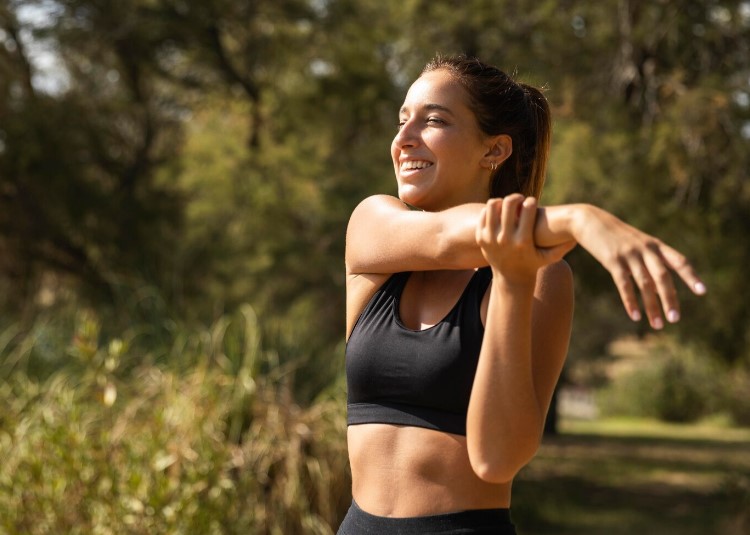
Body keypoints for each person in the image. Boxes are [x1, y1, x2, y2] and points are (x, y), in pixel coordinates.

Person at [338, 55, 705, 534]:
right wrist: (578, 218)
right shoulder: (374, 227)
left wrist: (512, 283)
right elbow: (446, 238)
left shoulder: (542, 278)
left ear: (494, 151)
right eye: (403, 120)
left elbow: (497, 460)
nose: (404, 139)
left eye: (433, 121)